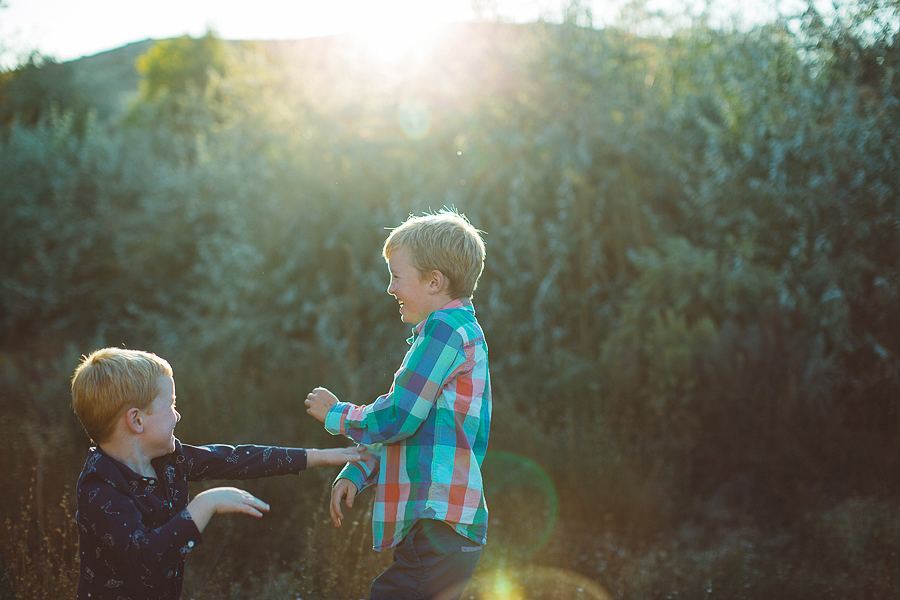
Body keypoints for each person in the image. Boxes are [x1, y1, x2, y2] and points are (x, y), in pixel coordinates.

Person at [70, 347, 362, 600]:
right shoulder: (99, 488)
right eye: (171, 404)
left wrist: (321, 456)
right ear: (136, 420)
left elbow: (235, 459)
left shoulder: (168, 460)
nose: (177, 414)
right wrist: (206, 503)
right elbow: (147, 555)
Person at [305, 209, 491, 600]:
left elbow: (399, 417)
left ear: (434, 281)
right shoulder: (456, 333)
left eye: (396, 276)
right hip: (446, 527)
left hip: (436, 523)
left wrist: (337, 414)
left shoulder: (444, 331)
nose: (390, 288)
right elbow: (416, 430)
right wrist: (359, 471)